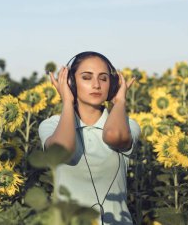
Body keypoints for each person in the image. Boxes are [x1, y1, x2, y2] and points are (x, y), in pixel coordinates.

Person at [38, 51, 141, 225]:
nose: (96, 85)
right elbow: (63, 150)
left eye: (103, 78)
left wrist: (120, 101)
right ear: (70, 83)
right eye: (86, 77)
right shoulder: (51, 126)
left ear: (113, 85)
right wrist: (67, 103)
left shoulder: (128, 126)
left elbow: (113, 136)